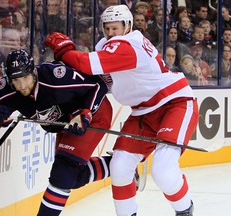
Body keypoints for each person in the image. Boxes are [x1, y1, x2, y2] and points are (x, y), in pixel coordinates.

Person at [44, 4, 199, 216]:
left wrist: (64, 50)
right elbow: (90, 79)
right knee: (119, 167)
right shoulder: (105, 46)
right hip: (143, 113)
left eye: (115, 28)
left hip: (174, 104)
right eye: (107, 28)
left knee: (163, 169)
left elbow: (87, 64)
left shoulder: (129, 44)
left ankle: (185, 210)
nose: (110, 33)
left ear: (127, 27)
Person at [0, 49, 113, 216]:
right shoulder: (4, 90)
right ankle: (117, 166)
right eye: (16, 81)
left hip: (93, 116)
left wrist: (85, 113)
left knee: (62, 175)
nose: (22, 86)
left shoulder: (54, 77)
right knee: (70, 176)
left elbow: (99, 85)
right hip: (63, 125)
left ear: (33, 71)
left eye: (25, 78)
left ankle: (119, 166)